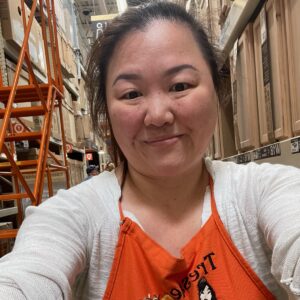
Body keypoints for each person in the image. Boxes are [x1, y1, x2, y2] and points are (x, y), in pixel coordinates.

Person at [0, 1, 299, 299]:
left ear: (217, 88)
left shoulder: (264, 190)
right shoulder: (72, 216)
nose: (158, 115)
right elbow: (28, 274)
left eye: (180, 86)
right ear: (106, 111)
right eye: (132, 93)